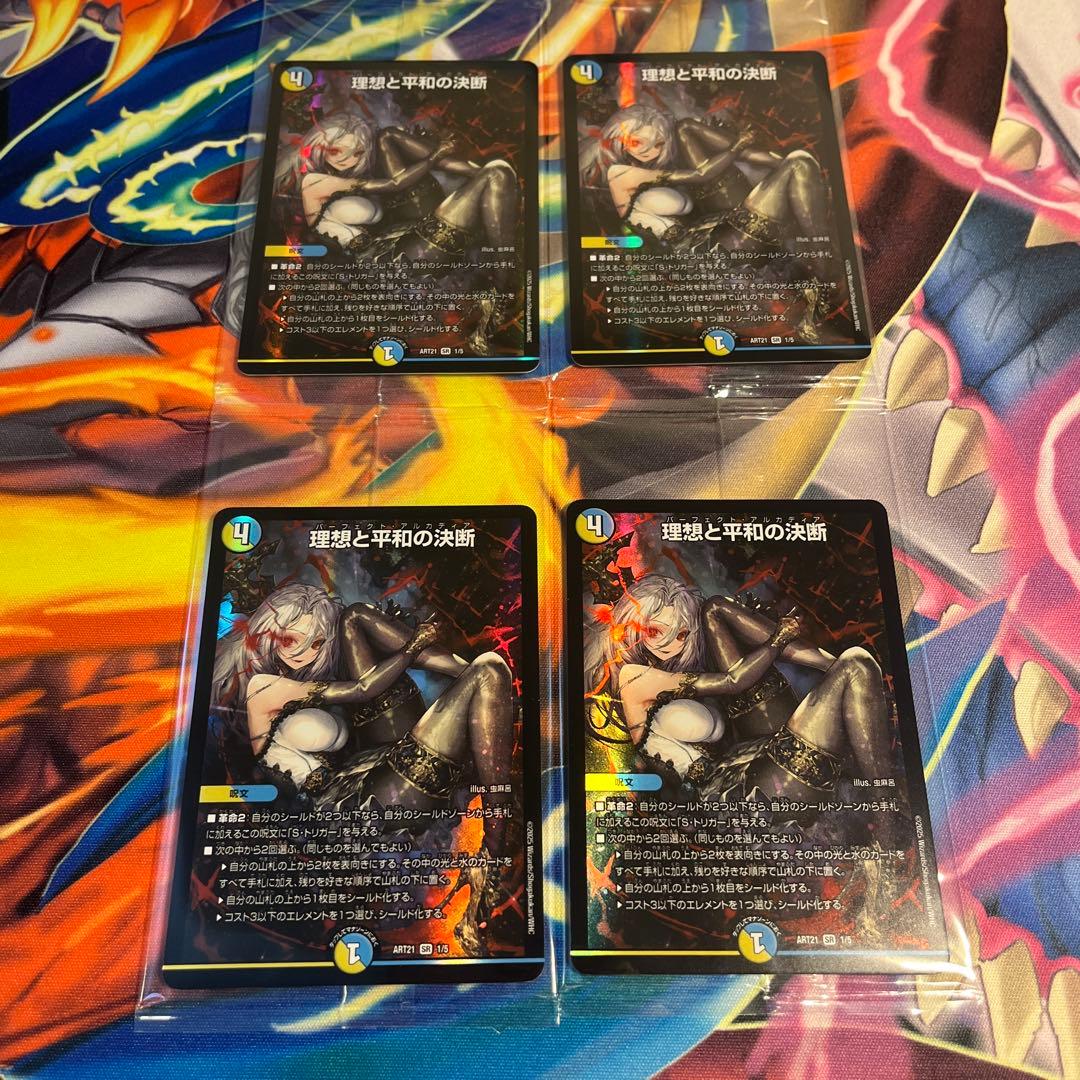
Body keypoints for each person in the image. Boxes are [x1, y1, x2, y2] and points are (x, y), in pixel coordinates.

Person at [212, 581, 517, 948]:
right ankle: (492, 855)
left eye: (317, 643)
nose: (305, 654)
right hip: (358, 812)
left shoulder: (305, 677)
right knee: (490, 668)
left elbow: (361, 693)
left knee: (353, 618)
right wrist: (414, 645)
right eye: (292, 640)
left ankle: (482, 689)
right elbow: (362, 691)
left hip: (368, 766)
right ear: (267, 633)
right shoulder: (263, 687)